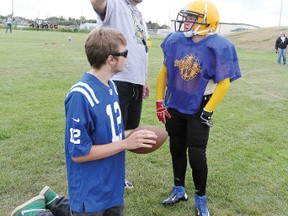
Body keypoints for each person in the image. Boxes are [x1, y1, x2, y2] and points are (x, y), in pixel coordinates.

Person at [11, 27, 157, 216]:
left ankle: (54, 200)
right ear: (111, 59)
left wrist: (133, 136)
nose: (128, 57)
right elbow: (79, 153)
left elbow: (111, 134)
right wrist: (125, 143)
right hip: (91, 189)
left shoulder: (111, 86)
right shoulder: (81, 96)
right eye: (125, 53)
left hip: (112, 184)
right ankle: (33, 214)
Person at [155, 0, 241, 215]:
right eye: (186, 16)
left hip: (199, 107)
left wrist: (208, 109)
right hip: (175, 103)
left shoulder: (218, 45)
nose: (185, 21)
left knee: (196, 154)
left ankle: (200, 197)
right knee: (176, 147)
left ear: (208, 21)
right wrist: (159, 101)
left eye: (192, 17)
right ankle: (179, 189)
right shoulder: (175, 40)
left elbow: (224, 81)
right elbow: (164, 71)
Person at [90, 0, 149, 189]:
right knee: (112, 134)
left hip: (135, 81)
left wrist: (143, 78)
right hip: (118, 80)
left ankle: (117, 175)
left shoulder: (137, 12)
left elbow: (139, 48)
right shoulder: (116, 5)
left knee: (126, 132)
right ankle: (109, 177)